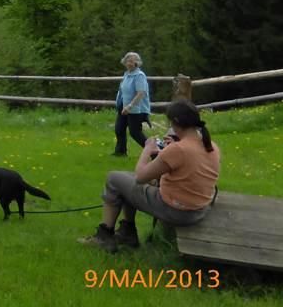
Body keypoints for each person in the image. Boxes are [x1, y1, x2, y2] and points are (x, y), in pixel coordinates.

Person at [79, 100, 220, 252]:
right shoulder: (210, 145)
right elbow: (187, 169)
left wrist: (147, 149)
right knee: (126, 180)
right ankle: (127, 233)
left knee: (114, 178)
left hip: (178, 211)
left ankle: (104, 236)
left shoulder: (179, 149)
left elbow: (140, 177)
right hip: (198, 209)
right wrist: (168, 150)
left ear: (175, 122)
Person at [112, 51, 151, 156]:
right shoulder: (127, 74)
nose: (129, 63)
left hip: (135, 108)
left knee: (135, 133)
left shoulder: (139, 75)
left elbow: (141, 93)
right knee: (119, 129)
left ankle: (154, 152)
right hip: (123, 106)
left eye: (132, 61)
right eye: (128, 61)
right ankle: (120, 152)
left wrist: (130, 106)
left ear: (137, 63)